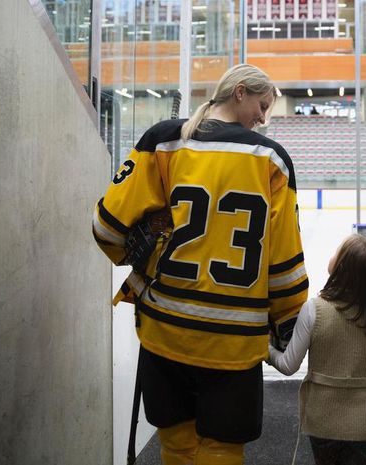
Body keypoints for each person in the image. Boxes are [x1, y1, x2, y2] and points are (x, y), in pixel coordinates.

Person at [92, 63, 308, 465]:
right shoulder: (272, 160)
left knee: (175, 446)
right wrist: (286, 324)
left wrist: (141, 260)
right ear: (239, 92)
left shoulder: (163, 141)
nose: (263, 118)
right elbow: (283, 267)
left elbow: (106, 229)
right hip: (235, 342)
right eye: (262, 105)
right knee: (222, 451)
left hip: (165, 330)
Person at [267, 234, 366, 465]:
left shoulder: (314, 310)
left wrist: (267, 349)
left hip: (322, 419)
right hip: (364, 423)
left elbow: (288, 365)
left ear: (342, 268)